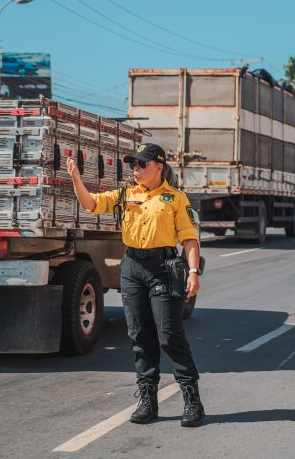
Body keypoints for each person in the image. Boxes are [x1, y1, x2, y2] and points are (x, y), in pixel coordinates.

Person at [67, 143, 205, 427]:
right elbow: (91, 204)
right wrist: (77, 181)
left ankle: (192, 401)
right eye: (134, 164)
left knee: (169, 335)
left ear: (159, 166)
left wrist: (193, 272)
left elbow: (189, 239)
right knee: (140, 336)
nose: (136, 169)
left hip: (163, 269)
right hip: (132, 267)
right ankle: (147, 401)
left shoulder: (176, 198)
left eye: (142, 164)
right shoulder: (124, 194)